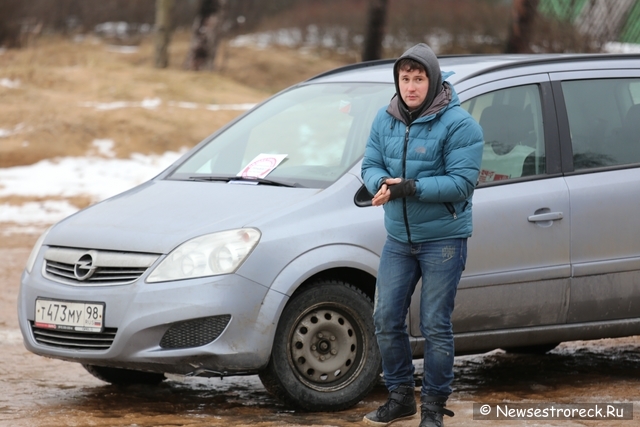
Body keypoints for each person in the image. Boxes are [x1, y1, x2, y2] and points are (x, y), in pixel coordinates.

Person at [361, 43, 483, 427]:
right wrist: (381, 181)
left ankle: (433, 407)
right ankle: (400, 397)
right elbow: (370, 163)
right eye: (404, 78)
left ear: (433, 80)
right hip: (398, 237)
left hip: (443, 239)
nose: (411, 87)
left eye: (418, 78)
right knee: (385, 316)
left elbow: (462, 183)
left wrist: (410, 187)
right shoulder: (386, 118)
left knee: (434, 323)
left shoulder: (461, 125)